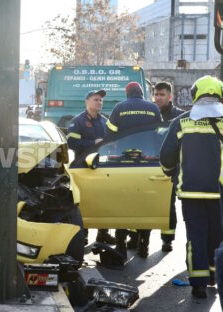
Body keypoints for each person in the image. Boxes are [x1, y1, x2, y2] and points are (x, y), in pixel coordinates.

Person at [160, 75, 223, 299]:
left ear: (195, 94)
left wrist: (170, 173)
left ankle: (198, 284)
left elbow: (166, 156)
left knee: (196, 236)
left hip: (191, 192)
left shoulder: (182, 122)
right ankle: (215, 277)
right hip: (219, 193)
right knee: (218, 235)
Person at [106, 82, 162, 259]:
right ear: (141, 93)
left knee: (122, 203)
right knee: (145, 204)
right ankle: (143, 246)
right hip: (147, 159)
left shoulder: (119, 108)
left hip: (123, 161)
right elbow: (159, 132)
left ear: (127, 93)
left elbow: (110, 133)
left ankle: (121, 246)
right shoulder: (153, 108)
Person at [67, 89, 115, 245]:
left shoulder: (104, 121)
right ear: (86, 102)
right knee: (84, 201)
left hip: (101, 166)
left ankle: (103, 233)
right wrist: (92, 144)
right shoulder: (78, 121)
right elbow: (71, 143)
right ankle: (84, 234)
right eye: (96, 99)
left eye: (101, 100)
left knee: (104, 200)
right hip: (83, 167)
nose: (99, 102)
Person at [152, 81, 184, 253]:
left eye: (162, 94)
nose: (158, 98)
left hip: (171, 165)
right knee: (146, 202)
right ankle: (137, 238)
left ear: (169, 96)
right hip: (149, 164)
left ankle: (167, 239)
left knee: (168, 204)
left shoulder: (179, 116)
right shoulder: (149, 113)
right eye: (156, 94)